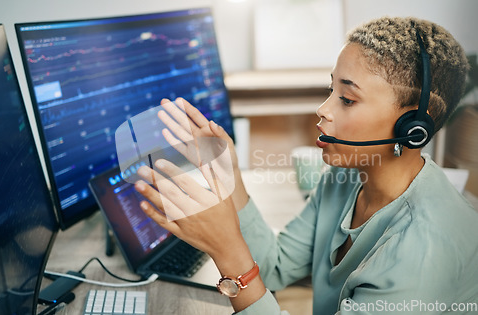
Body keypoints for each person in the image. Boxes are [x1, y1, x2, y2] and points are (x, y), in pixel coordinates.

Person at [134, 16, 478, 314]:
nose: (323, 109)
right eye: (331, 89)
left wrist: (228, 253)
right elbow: (275, 266)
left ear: (413, 128)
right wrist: (229, 177)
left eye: (347, 98)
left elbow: (251, 269)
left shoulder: (423, 251)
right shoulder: (345, 178)